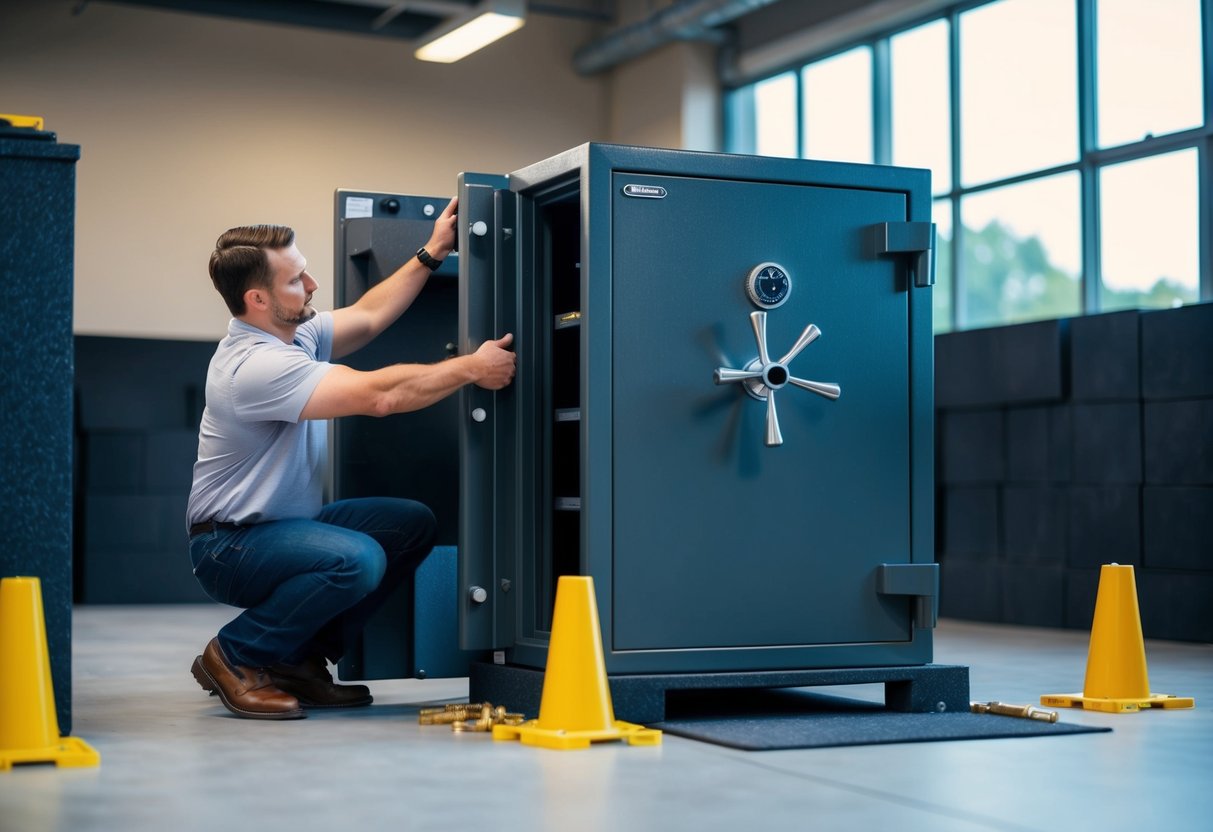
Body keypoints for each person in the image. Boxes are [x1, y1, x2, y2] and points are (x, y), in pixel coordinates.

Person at [185, 198, 516, 720]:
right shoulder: (255, 365)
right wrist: (470, 368)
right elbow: (380, 397)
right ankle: (236, 654)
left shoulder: (293, 333)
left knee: (409, 524)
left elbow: (368, 315)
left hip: (280, 528)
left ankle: (295, 660)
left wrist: (432, 251)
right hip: (229, 546)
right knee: (355, 559)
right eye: (296, 280)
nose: (312, 285)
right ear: (257, 299)